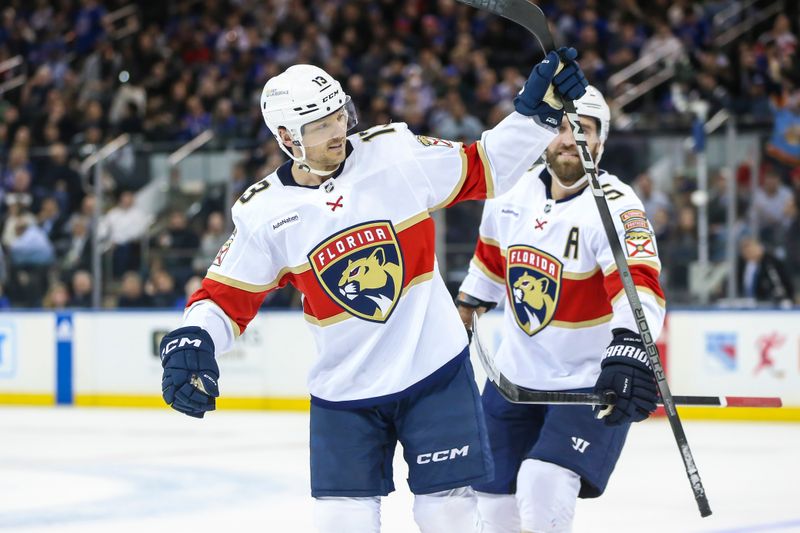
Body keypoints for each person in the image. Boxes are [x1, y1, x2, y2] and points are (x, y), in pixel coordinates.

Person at [158, 52, 588, 533]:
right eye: (319, 125)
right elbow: (223, 298)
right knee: (341, 521)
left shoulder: (395, 153)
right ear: (285, 138)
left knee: (448, 514)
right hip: (345, 391)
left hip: (434, 371)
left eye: (338, 113)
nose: (337, 129)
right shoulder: (265, 212)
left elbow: (484, 167)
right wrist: (193, 338)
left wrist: (537, 116)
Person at [456, 86, 665, 533]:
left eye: (584, 130)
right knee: (490, 500)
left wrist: (631, 346)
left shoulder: (615, 205)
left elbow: (640, 283)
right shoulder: (509, 192)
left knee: (543, 480)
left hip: (586, 383)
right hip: (513, 380)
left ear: (601, 142)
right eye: (562, 128)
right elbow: (489, 268)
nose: (570, 139)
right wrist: (463, 314)